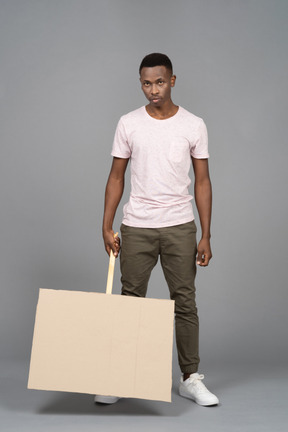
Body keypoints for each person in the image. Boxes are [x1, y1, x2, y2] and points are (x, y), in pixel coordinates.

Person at [95, 53, 219, 406]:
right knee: (131, 301)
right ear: (141, 83)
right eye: (147, 83)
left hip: (180, 225)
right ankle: (119, 378)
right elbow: (116, 176)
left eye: (160, 82)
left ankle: (189, 378)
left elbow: (203, 181)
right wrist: (106, 225)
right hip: (137, 226)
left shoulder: (194, 124)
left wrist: (205, 234)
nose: (154, 89)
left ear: (173, 81)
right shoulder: (128, 123)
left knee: (184, 302)